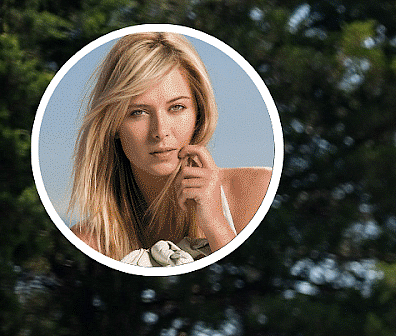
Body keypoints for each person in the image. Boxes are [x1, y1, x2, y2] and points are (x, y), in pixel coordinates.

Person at [68, 31, 270, 267]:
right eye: (138, 112)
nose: (160, 131)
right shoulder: (87, 243)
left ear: (199, 114)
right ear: (113, 124)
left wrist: (216, 223)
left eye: (176, 107)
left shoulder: (259, 193)